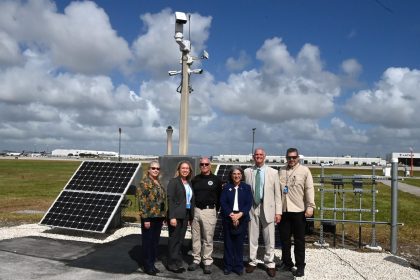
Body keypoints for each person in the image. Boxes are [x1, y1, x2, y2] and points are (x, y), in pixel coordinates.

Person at [244, 148, 282, 277]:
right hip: (252, 208)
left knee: (269, 237)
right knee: (252, 236)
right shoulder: (247, 172)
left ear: (264, 156)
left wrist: (278, 212)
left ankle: (269, 263)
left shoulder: (273, 172)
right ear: (253, 157)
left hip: (268, 208)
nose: (258, 156)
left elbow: (278, 194)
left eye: (261, 155)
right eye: (256, 155)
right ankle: (252, 261)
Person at [278, 148, 315, 277]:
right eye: (289, 157)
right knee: (284, 240)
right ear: (286, 158)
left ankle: (300, 265)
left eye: (294, 157)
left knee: (299, 240)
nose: (291, 160)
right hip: (284, 210)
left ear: (298, 157)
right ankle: (287, 262)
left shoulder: (305, 171)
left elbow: (309, 189)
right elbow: (278, 190)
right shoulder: (281, 171)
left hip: (299, 210)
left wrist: (310, 206)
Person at [188, 157, 223, 274]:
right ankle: (196, 259)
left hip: (209, 211)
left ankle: (207, 261)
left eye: (206, 164)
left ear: (210, 165)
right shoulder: (195, 180)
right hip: (196, 210)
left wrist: (214, 211)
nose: (204, 166)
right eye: (202, 164)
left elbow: (219, 198)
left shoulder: (216, 180)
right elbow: (191, 197)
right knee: (196, 237)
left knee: (208, 238)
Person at [220, 166, 253, 275]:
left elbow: (249, 203)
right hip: (228, 217)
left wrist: (239, 215)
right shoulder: (226, 187)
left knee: (239, 244)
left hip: (242, 218)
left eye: (239, 174)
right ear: (231, 175)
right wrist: (231, 215)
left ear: (242, 175)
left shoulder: (247, 187)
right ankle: (228, 266)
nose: (236, 176)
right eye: (234, 174)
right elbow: (223, 202)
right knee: (228, 243)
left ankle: (238, 266)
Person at [137, 161, 166, 276]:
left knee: (154, 242)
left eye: (158, 169)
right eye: (153, 168)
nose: (155, 170)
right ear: (148, 169)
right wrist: (145, 218)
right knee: (147, 242)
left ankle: (152, 264)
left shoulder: (158, 182)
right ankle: (147, 265)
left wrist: (163, 215)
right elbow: (142, 201)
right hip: (149, 217)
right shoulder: (144, 183)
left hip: (158, 217)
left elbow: (162, 201)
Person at [166, 160, 195, 273]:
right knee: (174, 240)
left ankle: (177, 262)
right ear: (178, 170)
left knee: (180, 240)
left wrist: (190, 217)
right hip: (176, 215)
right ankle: (172, 264)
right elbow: (170, 199)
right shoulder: (174, 182)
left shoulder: (189, 183)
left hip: (186, 214)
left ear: (190, 170)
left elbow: (191, 200)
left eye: (187, 168)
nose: (185, 170)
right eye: (183, 168)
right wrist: (172, 216)